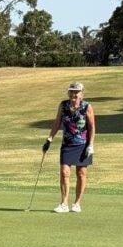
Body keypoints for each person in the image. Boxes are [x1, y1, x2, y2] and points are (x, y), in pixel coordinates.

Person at [42, 82, 95, 213]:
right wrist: (49, 139)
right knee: (64, 172)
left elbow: (92, 127)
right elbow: (57, 122)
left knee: (81, 174)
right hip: (67, 144)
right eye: (71, 91)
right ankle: (64, 203)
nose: (73, 94)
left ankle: (77, 203)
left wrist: (91, 145)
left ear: (82, 94)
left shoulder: (87, 107)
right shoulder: (63, 105)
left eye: (76, 92)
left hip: (83, 145)